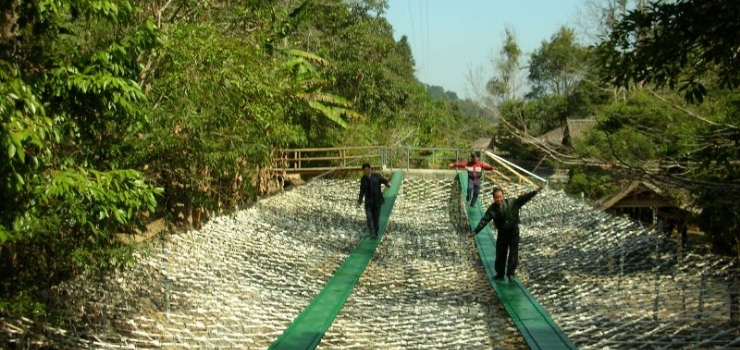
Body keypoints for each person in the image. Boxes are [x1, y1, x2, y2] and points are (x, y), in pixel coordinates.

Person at [468, 185, 542, 280]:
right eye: (496, 198)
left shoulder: (512, 202)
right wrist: (475, 231)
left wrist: (534, 192)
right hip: (502, 233)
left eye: (500, 197)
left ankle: (510, 273)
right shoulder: (492, 209)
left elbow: (524, 198)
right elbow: (484, 220)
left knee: (513, 253)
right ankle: (500, 273)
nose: (498, 199)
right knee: (500, 253)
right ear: (493, 198)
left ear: (503, 196)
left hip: (513, 231)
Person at [357, 163, 391, 239]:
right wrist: (359, 201)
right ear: (363, 171)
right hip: (368, 203)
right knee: (369, 218)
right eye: (365, 170)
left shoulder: (376, 176)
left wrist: (387, 183)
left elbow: (383, 180)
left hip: (377, 201)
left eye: (367, 169)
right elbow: (362, 191)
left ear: (370, 169)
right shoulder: (363, 179)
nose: (366, 171)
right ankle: (372, 233)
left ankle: (376, 232)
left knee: (376, 219)